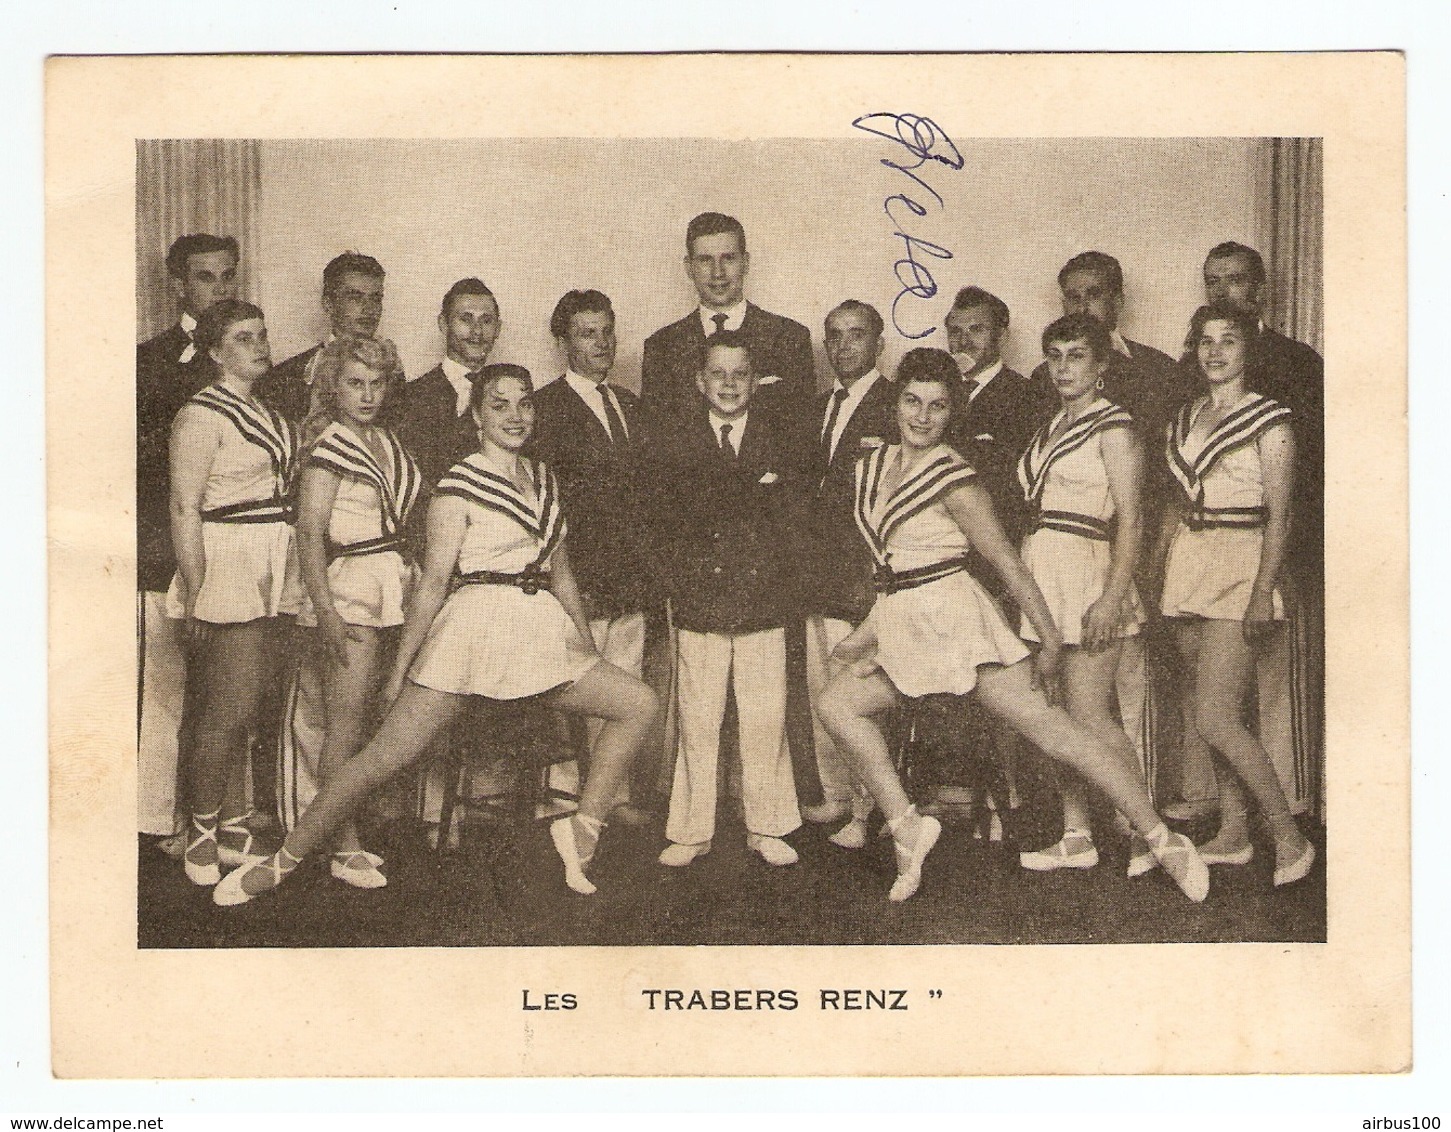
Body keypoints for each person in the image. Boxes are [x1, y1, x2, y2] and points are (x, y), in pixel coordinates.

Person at [213, 365, 658, 905]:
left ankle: (580, 832)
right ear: (476, 417)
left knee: (638, 702)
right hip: (473, 630)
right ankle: (284, 859)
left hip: (538, 628)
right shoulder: (457, 485)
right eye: (499, 405)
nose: (515, 416)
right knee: (383, 757)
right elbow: (432, 588)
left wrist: (583, 645)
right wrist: (403, 669)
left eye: (523, 404)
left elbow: (561, 573)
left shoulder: (544, 478)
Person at [815, 347, 1209, 904]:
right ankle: (907, 825)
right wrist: (865, 635)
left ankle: (1163, 838)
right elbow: (892, 568)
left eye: (938, 406)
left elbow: (1007, 563)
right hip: (906, 626)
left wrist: (1048, 638)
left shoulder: (956, 478)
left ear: (952, 413)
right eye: (912, 401)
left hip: (959, 625)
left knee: (1059, 734)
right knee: (836, 705)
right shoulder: (869, 467)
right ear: (896, 402)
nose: (923, 416)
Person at [1154, 302, 1316, 887]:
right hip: (1189, 564)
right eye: (1205, 340)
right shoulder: (1185, 417)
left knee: (1216, 714)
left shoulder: (1271, 420)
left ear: (1249, 348)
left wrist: (1262, 590)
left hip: (1243, 562)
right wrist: (1157, 577)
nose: (1215, 351)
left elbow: (1282, 515)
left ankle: (1290, 839)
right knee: (1213, 714)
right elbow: (1176, 504)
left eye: (1228, 340)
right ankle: (1234, 831)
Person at [652, 333, 805, 868]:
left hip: (763, 598)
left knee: (765, 715)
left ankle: (767, 825)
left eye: (740, 374)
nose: (729, 384)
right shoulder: (675, 441)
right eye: (718, 374)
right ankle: (693, 830)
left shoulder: (780, 438)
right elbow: (666, 522)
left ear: (755, 380)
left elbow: (792, 520)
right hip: (700, 597)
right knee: (699, 716)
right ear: (700, 381)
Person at [165, 299, 301, 886]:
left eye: (263, 335)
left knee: (249, 705)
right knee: (223, 711)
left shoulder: (266, 410)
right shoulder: (201, 415)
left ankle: (230, 822)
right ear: (216, 350)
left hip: (272, 558)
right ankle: (200, 829)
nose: (261, 345)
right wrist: (199, 590)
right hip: (228, 561)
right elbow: (183, 507)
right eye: (246, 337)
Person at [1014, 315, 1154, 877]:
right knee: (1057, 715)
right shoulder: (1050, 425)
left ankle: (1146, 832)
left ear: (1100, 367)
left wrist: (1112, 598)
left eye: (1076, 356)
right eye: (1055, 355)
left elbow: (1134, 521)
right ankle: (1077, 835)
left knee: (1093, 717)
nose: (1063, 367)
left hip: (1090, 570)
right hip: (1045, 570)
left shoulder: (1112, 427)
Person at [285, 336, 422, 887]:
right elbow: (309, 536)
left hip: (390, 586)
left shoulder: (384, 439)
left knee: (367, 718)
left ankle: (340, 833)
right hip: (349, 592)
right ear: (332, 387)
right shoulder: (329, 447)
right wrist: (326, 613)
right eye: (354, 383)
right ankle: (341, 846)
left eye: (376, 383)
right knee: (343, 723)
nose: (367, 395)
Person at [917, 286, 1054, 830]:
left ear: (1000, 334)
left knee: (1003, 690)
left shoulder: (1023, 396)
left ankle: (1012, 804)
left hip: (996, 565)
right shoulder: (936, 397)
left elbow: (1027, 490)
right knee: (946, 688)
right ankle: (961, 802)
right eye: (955, 328)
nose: (963, 338)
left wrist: (1006, 562)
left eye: (975, 329)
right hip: (941, 564)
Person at [531, 289, 662, 825]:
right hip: (575, 579)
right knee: (572, 690)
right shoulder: (542, 408)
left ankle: (612, 798)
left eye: (607, 332)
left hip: (630, 579)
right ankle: (561, 799)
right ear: (563, 342)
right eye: (588, 334)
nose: (601, 344)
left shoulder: (631, 405)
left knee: (625, 684)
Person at [137, 234, 240, 851]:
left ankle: (220, 820)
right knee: (169, 690)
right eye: (205, 278)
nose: (218, 290)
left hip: (231, 552)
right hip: (165, 551)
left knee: (228, 694)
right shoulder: (148, 360)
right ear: (179, 284)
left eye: (227, 277)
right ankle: (156, 819)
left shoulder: (251, 360)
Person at [797, 300, 899, 847]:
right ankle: (837, 795)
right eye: (833, 337)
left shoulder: (895, 405)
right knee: (821, 690)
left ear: (878, 342)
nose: (843, 347)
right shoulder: (815, 408)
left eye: (856, 336)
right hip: (816, 576)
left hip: (864, 578)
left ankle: (869, 810)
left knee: (859, 695)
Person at [641, 212, 815, 421]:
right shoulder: (662, 347)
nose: (718, 273)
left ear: (746, 262)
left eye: (729, 258)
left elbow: (802, 434)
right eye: (706, 260)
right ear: (689, 268)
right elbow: (656, 436)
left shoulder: (790, 338)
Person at [259, 252, 391, 424]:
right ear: (328, 304)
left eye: (375, 299)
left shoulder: (391, 372)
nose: (368, 309)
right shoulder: (288, 375)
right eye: (355, 297)